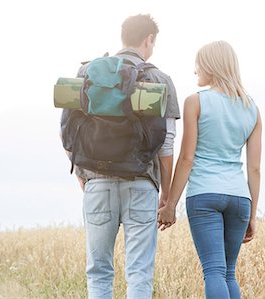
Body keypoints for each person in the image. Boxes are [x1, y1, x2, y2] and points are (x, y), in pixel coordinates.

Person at [61, 14, 180, 298]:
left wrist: (82, 174)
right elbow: (167, 144)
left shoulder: (88, 73)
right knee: (139, 272)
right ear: (148, 40)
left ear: (122, 37)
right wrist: (166, 195)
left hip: (97, 182)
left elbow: (67, 131)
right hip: (141, 183)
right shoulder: (158, 78)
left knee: (99, 272)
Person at [158, 40, 262, 299]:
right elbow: (255, 168)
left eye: (199, 64)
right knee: (228, 272)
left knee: (213, 271)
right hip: (240, 198)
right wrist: (252, 214)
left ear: (212, 66)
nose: (195, 70)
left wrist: (170, 204)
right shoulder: (252, 108)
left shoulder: (195, 102)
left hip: (205, 194)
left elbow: (186, 158)